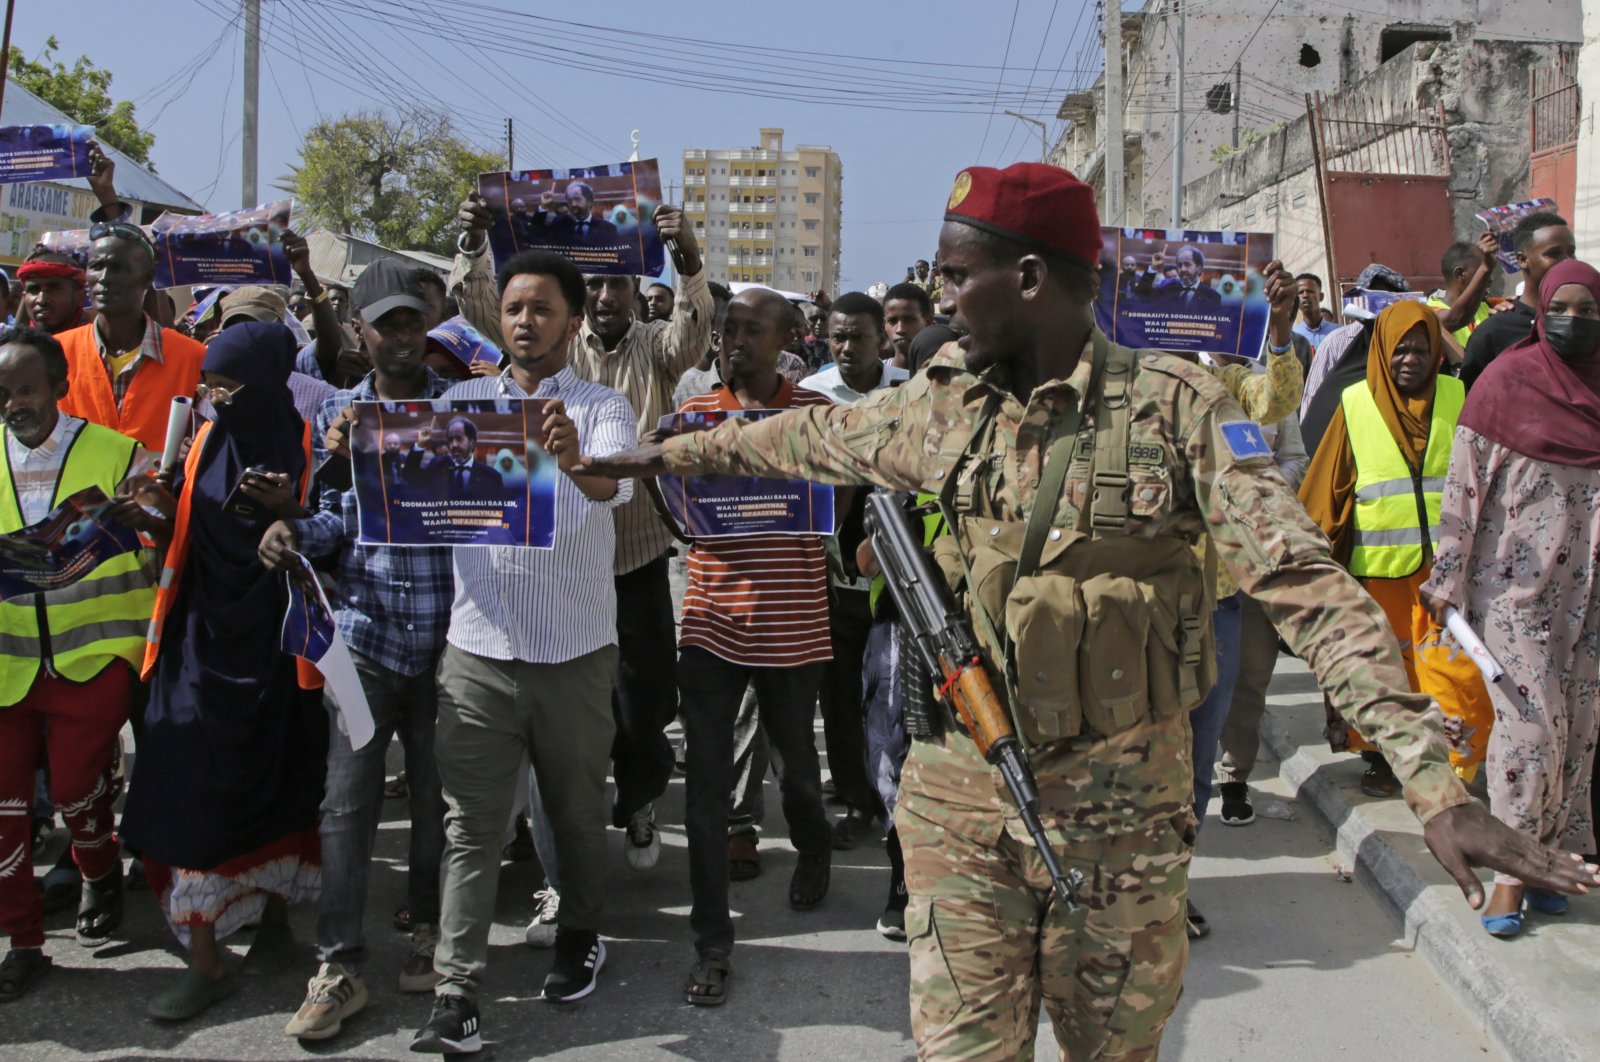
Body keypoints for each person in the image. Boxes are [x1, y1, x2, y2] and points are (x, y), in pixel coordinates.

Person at [573, 162, 1600, 1059]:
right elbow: (783, 445)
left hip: (1122, 823)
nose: (939, 294)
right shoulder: (941, 401)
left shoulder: (1173, 411)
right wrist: (654, 455)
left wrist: (1432, 785)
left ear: (1026, 279)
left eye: (955, 274)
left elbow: (1305, 585)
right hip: (958, 808)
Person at [409, 250, 636, 1055]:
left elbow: (615, 486)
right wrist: (358, 445)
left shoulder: (604, 407)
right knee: (471, 824)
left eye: (542, 309)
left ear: (573, 322)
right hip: (476, 649)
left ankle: (580, 932)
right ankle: (456, 991)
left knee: (576, 813)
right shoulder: (462, 403)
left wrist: (572, 460)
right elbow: (410, 488)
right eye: (513, 309)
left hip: (573, 651)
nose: (525, 322)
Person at [451, 191, 713, 878]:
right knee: (555, 711)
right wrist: (476, 242)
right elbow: (485, 310)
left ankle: (639, 800)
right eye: (591, 284)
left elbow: (694, 332)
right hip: (551, 569)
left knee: (642, 703)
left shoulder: (654, 351)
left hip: (632, 555)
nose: (603, 295)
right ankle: (549, 839)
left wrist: (686, 255)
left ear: (634, 292)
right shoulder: (544, 343)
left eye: (615, 284)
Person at [257, 260, 456, 1040]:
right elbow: (337, 522)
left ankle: (430, 936)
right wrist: (291, 533)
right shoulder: (338, 416)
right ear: (361, 330)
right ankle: (338, 966)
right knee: (346, 808)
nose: (403, 336)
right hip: (367, 636)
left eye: (414, 321)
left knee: (442, 803)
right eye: (388, 323)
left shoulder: (465, 407)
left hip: (449, 639)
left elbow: (492, 520)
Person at [119, 322, 325, 1022]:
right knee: (184, 790)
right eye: (208, 386)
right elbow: (178, 527)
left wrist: (290, 512)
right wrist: (150, 508)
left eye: (229, 388)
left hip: (277, 653)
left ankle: (275, 923)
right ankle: (205, 958)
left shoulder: (311, 444)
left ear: (267, 385)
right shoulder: (202, 439)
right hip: (197, 646)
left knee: (279, 787)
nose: (214, 400)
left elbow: (337, 537)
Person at [667, 287, 836, 1008]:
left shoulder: (813, 418)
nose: (734, 341)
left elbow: (845, 491)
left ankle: (813, 847)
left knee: (797, 764)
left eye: (750, 330)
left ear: (787, 339)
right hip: (711, 626)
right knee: (705, 791)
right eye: (727, 329)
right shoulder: (693, 417)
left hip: (795, 625)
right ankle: (712, 940)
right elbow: (670, 503)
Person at [1423, 259, 1600, 937]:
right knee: (1530, 729)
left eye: (1589, 310)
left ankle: (1552, 858)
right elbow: (1464, 494)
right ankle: (1508, 872)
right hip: (1513, 597)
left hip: (1588, 599)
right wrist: (1448, 578)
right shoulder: (1504, 384)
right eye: (1565, 307)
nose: (1575, 321)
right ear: (1542, 306)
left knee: (1577, 733)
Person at [0, 327, 166, 1002]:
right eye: (4, 392)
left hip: (95, 655)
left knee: (75, 789)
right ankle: (25, 942)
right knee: (7, 813)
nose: (15, 403)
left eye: (27, 388)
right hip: (6, 668)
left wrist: (149, 510)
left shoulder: (115, 451)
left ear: (61, 387)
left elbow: (163, 531)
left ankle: (97, 868)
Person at [1298, 301, 1495, 796]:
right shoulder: (1355, 404)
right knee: (1384, 675)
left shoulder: (1459, 397)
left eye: (1421, 349)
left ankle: (1454, 768)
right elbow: (1327, 491)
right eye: (1399, 349)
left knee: (1455, 673)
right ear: (1381, 351)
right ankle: (1382, 760)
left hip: (1446, 578)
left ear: (1435, 355)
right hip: (1379, 578)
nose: (1409, 359)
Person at [800, 293, 909, 852]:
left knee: (894, 700)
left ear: (881, 341)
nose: (845, 347)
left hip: (896, 585)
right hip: (832, 578)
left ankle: (900, 799)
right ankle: (857, 799)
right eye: (837, 336)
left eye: (857, 337)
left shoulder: (909, 393)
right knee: (839, 699)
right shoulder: (812, 397)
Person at [1214, 408, 1310, 825]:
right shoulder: (1176, 366)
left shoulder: (1269, 390)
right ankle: (1184, 780)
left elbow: (1295, 457)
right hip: (1195, 561)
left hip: (1258, 555)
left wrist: (1256, 494)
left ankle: (1234, 775)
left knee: (1250, 674)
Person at [55, 222, 206, 451]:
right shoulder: (57, 352)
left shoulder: (192, 358)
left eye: (118, 268)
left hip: (158, 486)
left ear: (148, 279)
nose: (104, 278)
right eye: (96, 266)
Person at [1298, 263, 1412, 457]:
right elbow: (1312, 406)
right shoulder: (1336, 343)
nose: (1381, 309)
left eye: (1389, 300)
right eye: (1375, 299)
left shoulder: (1410, 349)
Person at [1460, 212, 1576, 389]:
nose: (1568, 262)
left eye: (1571, 252)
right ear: (1522, 260)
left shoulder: (1585, 323)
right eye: (1554, 254)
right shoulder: (1496, 331)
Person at [214, 283, 338, 423]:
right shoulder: (212, 397)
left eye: (254, 330)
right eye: (234, 331)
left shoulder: (321, 398)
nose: (243, 340)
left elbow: (329, 343)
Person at [1428, 234, 1499, 352]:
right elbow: (1455, 319)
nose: (1490, 278)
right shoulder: (1429, 313)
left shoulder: (1489, 306)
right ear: (1460, 274)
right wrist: (1486, 268)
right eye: (1479, 271)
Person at [16, 248, 90, 334]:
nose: (42, 300)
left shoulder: (96, 343)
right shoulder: (20, 344)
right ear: (24, 298)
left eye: (53, 288)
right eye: (34, 289)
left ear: (80, 297)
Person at [1134, 244, 1221, 306]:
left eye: (1187, 264)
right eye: (1179, 265)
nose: (1182, 269)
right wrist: (1153, 267)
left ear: (1199, 268)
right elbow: (1142, 294)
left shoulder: (1212, 297)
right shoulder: (1168, 289)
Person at [881, 282, 933, 371]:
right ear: (884, 325)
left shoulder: (941, 374)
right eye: (892, 321)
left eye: (909, 319)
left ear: (928, 322)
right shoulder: (873, 376)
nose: (900, 329)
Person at [553, 182, 619, 245]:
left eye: (577, 199)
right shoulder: (559, 223)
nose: (573, 204)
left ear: (589, 201)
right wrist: (545, 208)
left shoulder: (607, 229)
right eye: (570, 201)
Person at [1292, 273, 1341, 354]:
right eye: (1300, 292)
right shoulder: (1292, 337)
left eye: (1310, 291)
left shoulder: (1339, 332)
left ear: (1321, 296)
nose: (1305, 295)